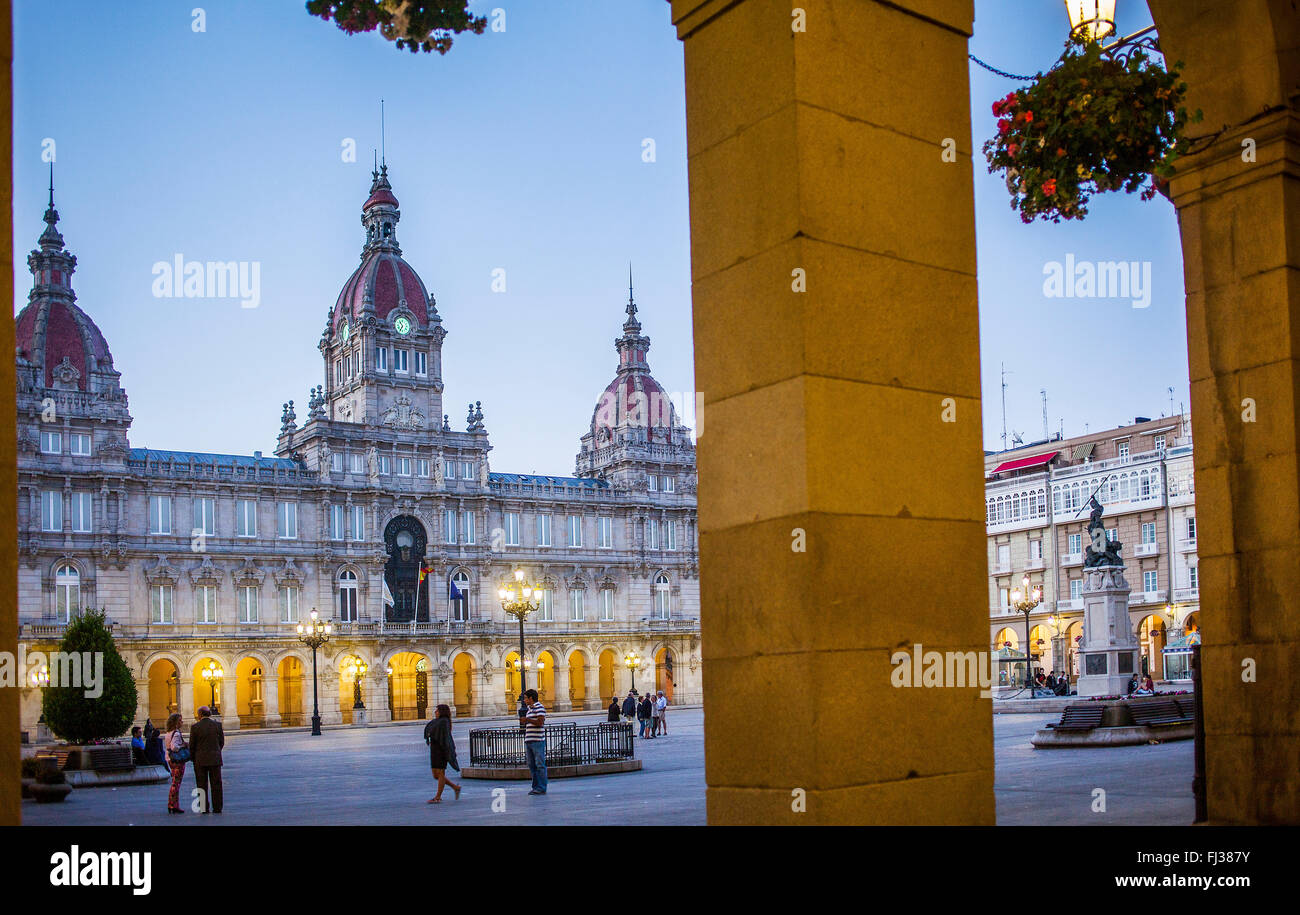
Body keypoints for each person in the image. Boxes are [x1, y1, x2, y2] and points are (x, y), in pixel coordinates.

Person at [189, 705, 225, 814]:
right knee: (216, 784)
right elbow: (221, 742)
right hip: (215, 759)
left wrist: (193, 758)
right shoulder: (217, 725)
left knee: (201, 784)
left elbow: (192, 745)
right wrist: (216, 751)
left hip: (200, 759)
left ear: (200, 715)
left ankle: (204, 807)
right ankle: (217, 807)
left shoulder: (195, 727)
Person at [423, 703, 461, 803]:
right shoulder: (439, 721)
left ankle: (438, 797)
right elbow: (430, 729)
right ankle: (455, 787)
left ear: (441, 712)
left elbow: (442, 737)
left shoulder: (444, 722)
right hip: (435, 749)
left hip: (441, 750)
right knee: (436, 775)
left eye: (437, 711)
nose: (435, 712)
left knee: (440, 773)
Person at [519, 689, 547, 795]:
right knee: (532, 765)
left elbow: (540, 722)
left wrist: (527, 720)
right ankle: (535, 787)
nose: (524, 700)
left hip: (537, 740)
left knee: (540, 764)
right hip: (529, 740)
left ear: (531, 698)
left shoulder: (539, 707)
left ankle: (542, 787)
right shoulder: (530, 709)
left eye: (525, 698)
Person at [163, 713, 188, 815]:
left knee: (175, 782)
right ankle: (173, 805)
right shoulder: (176, 733)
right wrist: (182, 745)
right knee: (176, 783)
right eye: (180, 721)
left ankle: (173, 804)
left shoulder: (168, 733)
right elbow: (174, 747)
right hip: (177, 760)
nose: (182, 722)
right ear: (176, 723)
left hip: (169, 759)